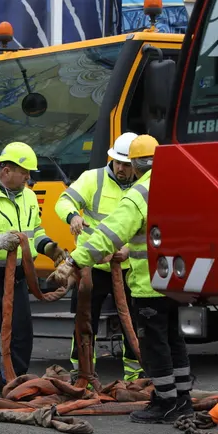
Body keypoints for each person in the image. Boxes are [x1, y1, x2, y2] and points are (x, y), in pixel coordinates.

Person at [48, 135, 192, 424]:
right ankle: (182, 399)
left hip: (149, 283)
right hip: (175, 280)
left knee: (155, 343)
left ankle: (165, 402)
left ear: (137, 164)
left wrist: (73, 261)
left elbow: (109, 233)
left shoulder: (141, 192)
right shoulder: (177, 183)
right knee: (173, 340)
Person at [0, 142, 67, 395]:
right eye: (24, 172)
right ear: (6, 170)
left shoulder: (28, 196)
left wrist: (49, 247)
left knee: (21, 331)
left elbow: (34, 231)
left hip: (15, 275)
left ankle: (17, 378)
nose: (29, 177)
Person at [54, 132, 143, 382]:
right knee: (84, 321)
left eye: (128, 164)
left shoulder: (143, 185)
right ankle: (82, 374)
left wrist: (128, 250)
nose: (123, 169)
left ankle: (135, 379)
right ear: (111, 159)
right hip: (91, 267)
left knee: (133, 324)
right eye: (119, 163)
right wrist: (73, 216)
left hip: (126, 266)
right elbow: (64, 201)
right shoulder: (93, 179)